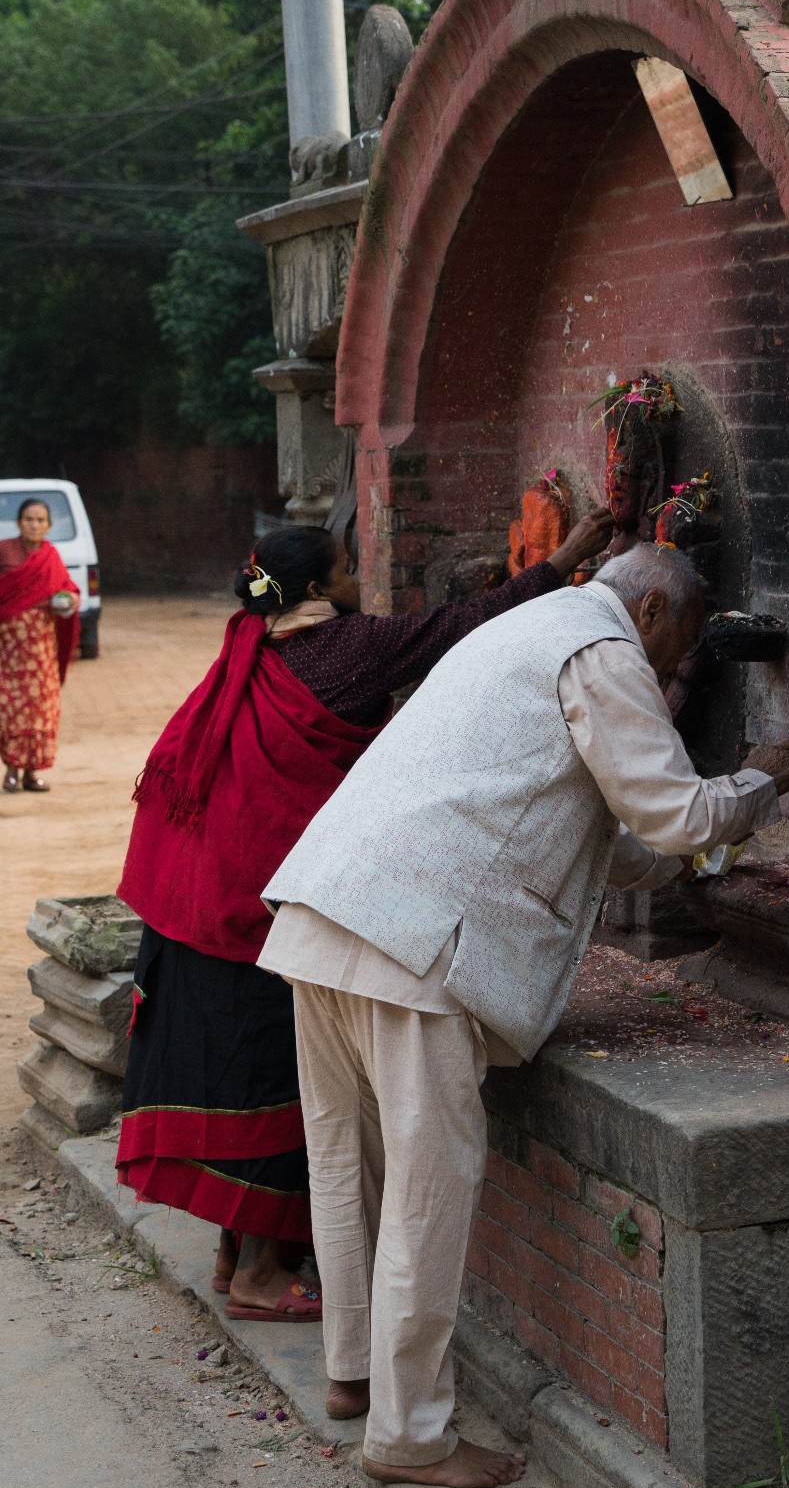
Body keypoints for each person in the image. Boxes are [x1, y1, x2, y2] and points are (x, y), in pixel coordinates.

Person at [259, 542, 789, 1488]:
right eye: (677, 649)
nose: (673, 671)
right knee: (426, 1192)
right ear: (649, 610)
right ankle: (410, 1438)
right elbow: (674, 817)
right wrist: (759, 780)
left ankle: (354, 1373)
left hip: (331, 908)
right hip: (417, 941)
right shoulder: (602, 647)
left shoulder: (527, 627)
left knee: (347, 1163)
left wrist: (705, 849)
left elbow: (621, 842)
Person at [114, 508, 615, 1324]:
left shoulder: (250, 646)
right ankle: (262, 1277)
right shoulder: (348, 648)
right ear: (318, 589)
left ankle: (234, 1254)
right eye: (347, 568)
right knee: (274, 1079)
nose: (356, 579)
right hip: (253, 908)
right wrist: (563, 560)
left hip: (190, 893)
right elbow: (462, 628)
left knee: (231, 1071)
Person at [0, 497, 80, 794]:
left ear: (48, 525)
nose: (34, 524)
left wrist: (70, 601)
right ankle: (11, 770)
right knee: (11, 707)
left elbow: (68, 589)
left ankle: (34, 773)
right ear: (19, 522)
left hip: (42, 650)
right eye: (29, 519)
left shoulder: (51, 556)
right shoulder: (2, 551)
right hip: (8, 647)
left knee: (42, 708)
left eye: (40, 520)